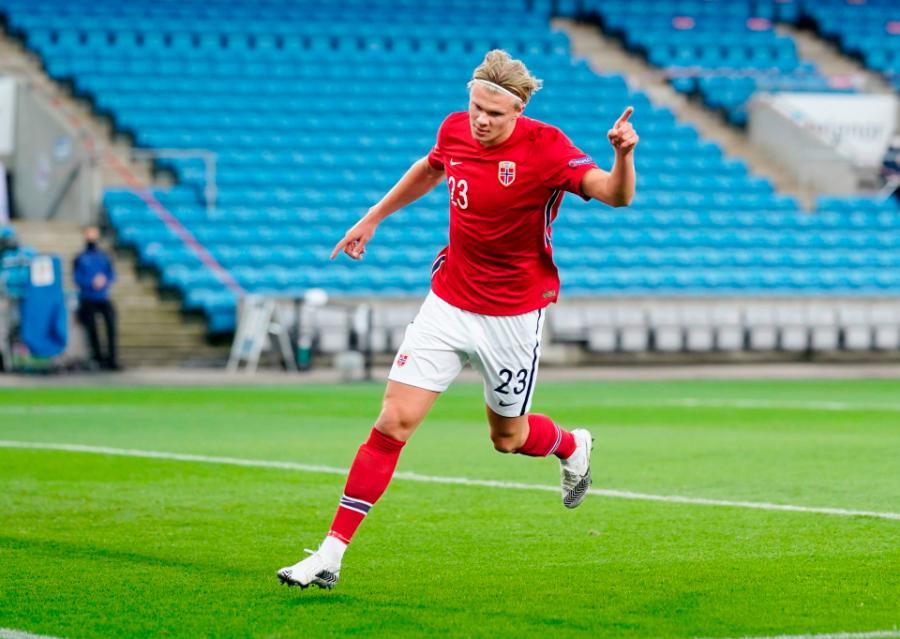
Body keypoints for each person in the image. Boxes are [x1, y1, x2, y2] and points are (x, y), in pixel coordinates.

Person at [277, 50, 638, 590]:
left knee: (508, 438)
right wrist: (372, 218)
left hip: (512, 317)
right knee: (392, 423)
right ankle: (330, 555)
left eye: (494, 113)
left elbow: (615, 195)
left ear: (517, 112)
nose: (481, 120)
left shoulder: (546, 147)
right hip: (447, 304)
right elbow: (430, 168)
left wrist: (623, 157)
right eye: (476, 108)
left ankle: (570, 445)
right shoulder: (454, 130)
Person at [73, 226, 119, 370]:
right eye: (89, 234)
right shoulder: (80, 258)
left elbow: (111, 274)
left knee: (111, 324)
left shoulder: (104, 256)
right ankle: (97, 358)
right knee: (92, 329)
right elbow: (77, 277)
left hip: (102, 297)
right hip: (87, 297)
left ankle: (111, 359)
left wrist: (104, 280)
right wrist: (91, 282)